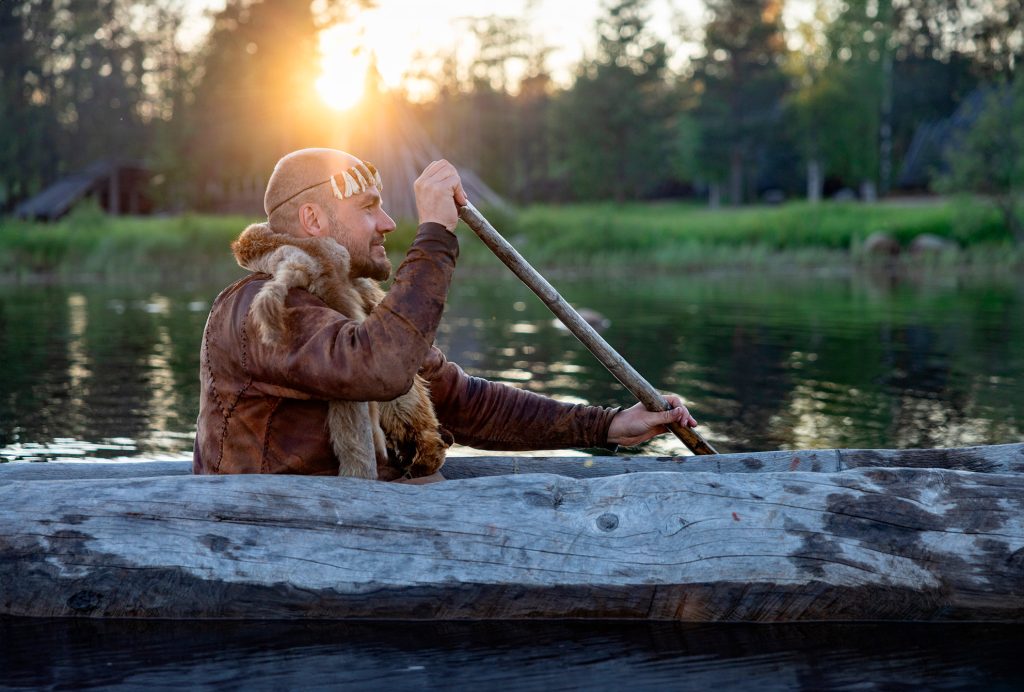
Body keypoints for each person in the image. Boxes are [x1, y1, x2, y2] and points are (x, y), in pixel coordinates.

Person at [193, 148, 697, 483]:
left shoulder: (359, 308)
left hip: (353, 536)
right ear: (313, 220)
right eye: (369, 208)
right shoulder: (262, 308)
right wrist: (435, 232)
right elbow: (379, 368)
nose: (388, 223)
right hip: (265, 546)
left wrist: (607, 426)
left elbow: (460, 402)